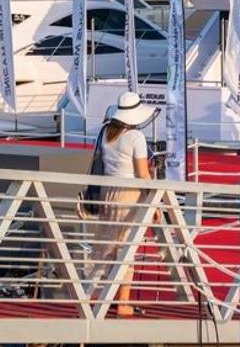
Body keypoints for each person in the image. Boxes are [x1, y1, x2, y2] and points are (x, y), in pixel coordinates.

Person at [91, 91, 156, 318]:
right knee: (127, 248)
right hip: (129, 194)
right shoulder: (135, 137)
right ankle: (123, 302)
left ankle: (99, 296)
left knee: (106, 246)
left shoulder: (106, 133)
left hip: (107, 192)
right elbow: (142, 173)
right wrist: (155, 204)